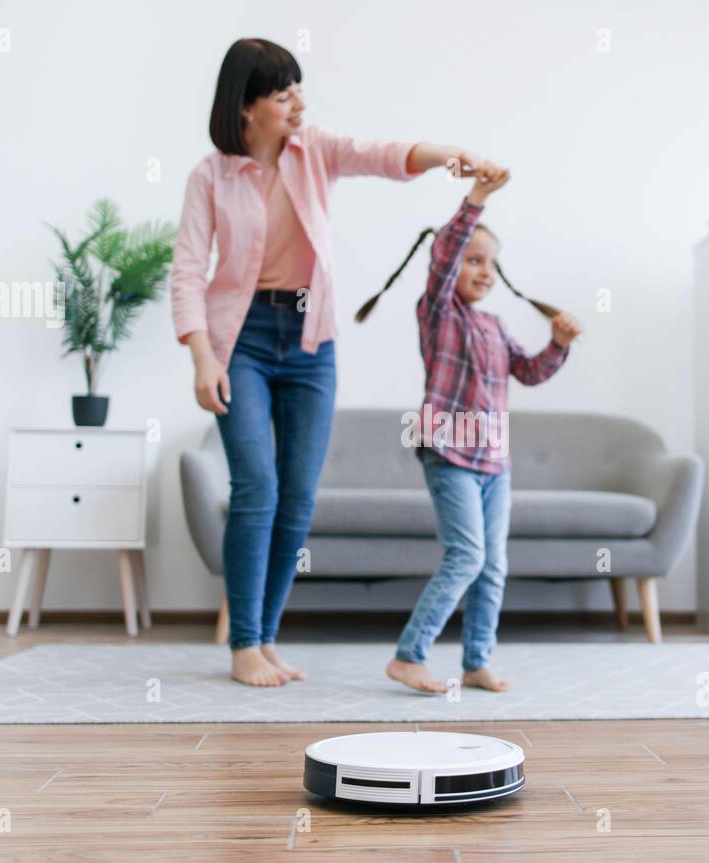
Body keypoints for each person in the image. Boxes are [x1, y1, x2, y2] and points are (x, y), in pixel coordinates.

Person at [171, 38, 496, 687]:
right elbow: (186, 272)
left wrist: (447, 157)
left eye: (298, 89)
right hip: (241, 339)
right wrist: (201, 357)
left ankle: (264, 639)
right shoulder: (210, 176)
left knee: (298, 498)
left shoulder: (313, 149)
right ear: (246, 106)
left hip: (311, 340)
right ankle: (242, 646)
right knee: (256, 487)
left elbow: (381, 156)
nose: (298, 104)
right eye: (283, 93)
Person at [356, 164, 582, 694]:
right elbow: (447, 252)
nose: (483, 270)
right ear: (451, 264)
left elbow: (528, 372)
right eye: (473, 260)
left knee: (493, 564)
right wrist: (477, 199)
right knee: (468, 554)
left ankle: (476, 661)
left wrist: (559, 343)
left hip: (493, 463)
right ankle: (410, 655)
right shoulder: (438, 312)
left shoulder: (494, 325)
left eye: (490, 264)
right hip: (448, 454)